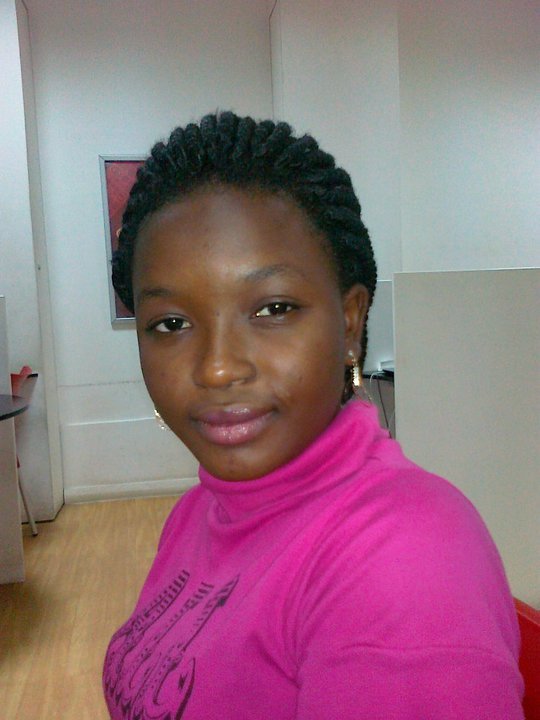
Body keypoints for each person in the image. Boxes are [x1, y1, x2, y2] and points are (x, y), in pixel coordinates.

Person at [103, 112, 524, 719]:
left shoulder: (404, 563)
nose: (217, 369)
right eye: (171, 323)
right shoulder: (201, 510)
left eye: (273, 309)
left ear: (349, 323)